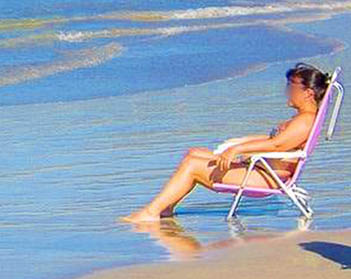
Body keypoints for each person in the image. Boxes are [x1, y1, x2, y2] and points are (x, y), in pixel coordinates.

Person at [122, 63, 330, 222]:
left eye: (290, 86)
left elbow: (277, 146)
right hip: (262, 170)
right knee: (194, 154)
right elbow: (274, 141)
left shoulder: (304, 121)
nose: (286, 90)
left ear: (308, 93)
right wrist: (239, 142)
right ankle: (166, 207)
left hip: (267, 178)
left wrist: (238, 149)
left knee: (193, 165)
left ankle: (151, 212)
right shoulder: (301, 118)